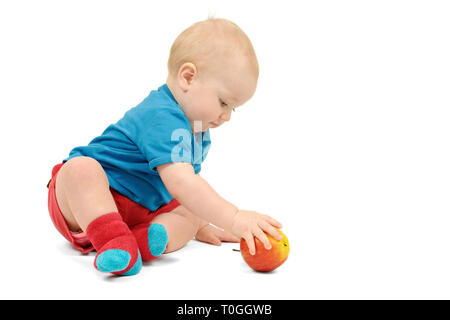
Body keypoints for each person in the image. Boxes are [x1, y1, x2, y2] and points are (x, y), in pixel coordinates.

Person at [47, 18, 283, 276]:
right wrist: (233, 217)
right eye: (224, 102)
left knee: (188, 215)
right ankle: (114, 241)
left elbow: (183, 190)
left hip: (139, 211)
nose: (227, 116)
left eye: (233, 109)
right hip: (85, 203)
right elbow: (181, 182)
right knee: (80, 170)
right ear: (188, 77)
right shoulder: (162, 115)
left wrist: (200, 224)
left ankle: (138, 242)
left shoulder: (198, 129)